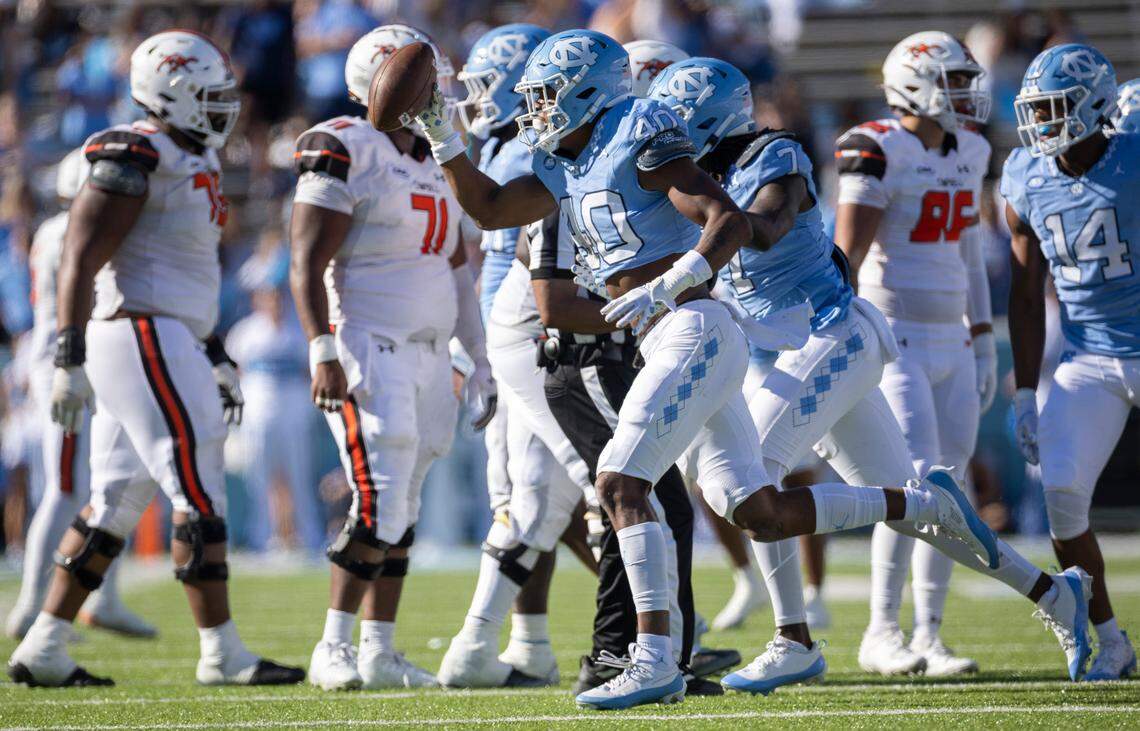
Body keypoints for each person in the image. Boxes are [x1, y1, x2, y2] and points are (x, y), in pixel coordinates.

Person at [413, 29, 1002, 709]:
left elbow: (723, 217)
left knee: (620, 479)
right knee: (759, 509)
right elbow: (487, 206)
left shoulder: (638, 131)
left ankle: (655, 656)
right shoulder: (560, 164)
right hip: (662, 336)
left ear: (586, 92)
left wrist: (679, 278)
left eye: (547, 96)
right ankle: (920, 502)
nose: (537, 111)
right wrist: (440, 136)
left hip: (693, 328)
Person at [648, 54, 1094, 694]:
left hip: (828, 333)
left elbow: (768, 230)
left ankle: (793, 638)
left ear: (708, 118)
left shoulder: (772, 154)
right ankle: (1054, 594)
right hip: (784, 348)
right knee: (913, 514)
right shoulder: (696, 176)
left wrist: (701, 222)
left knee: (752, 485)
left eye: (676, 123)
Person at [7, 30, 302, 688]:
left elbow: (184, 274)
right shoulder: (137, 148)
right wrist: (68, 355)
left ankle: (45, 644)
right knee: (198, 491)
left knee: (113, 499)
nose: (223, 107)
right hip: (142, 336)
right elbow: (83, 253)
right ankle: (222, 651)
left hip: (166, 334)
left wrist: (214, 349)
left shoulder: (191, 156)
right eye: (208, 96)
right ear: (168, 94)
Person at [290, 24, 494, 692]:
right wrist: (321, 348)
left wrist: (480, 359)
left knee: (403, 503)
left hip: (431, 354)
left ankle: (378, 648)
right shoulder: (345, 144)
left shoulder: (440, 160)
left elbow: (459, 273)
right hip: (366, 344)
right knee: (378, 498)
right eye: (426, 77)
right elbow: (307, 260)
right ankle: (334, 644)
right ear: (391, 79)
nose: (441, 90)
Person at [833, 31, 996, 676]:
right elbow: (847, 255)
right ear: (914, 84)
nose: (964, 94)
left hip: (953, 339)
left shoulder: (974, 147)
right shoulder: (878, 147)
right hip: (895, 338)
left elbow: (968, 253)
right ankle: (881, 631)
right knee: (915, 484)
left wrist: (981, 336)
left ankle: (929, 634)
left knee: (950, 488)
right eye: (952, 81)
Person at [438, 22, 593, 689]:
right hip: (525, 333)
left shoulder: (515, 147)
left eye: (482, 87)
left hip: (518, 330)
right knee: (551, 495)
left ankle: (524, 645)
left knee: (544, 499)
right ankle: (667, 624)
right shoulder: (513, 148)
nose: (476, 101)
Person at [1005, 43, 1139, 681]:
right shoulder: (1024, 175)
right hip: (1090, 357)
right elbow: (1027, 293)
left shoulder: (1135, 158)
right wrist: (1025, 392)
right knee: (1061, 498)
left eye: (1056, 109)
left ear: (1095, 106)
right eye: (1038, 110)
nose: (1043, 124)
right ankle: (1110, 638)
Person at [5, 149, 155, 641]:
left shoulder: (53, 230)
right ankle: (31, 606)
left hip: (75, 364)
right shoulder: (68, 231)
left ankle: (102, 598)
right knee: (67, 487)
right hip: (67, 367)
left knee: (102, 486)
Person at [225, 282, 322, 554]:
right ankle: (260, 540)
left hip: (294, 415)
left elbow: (310, 372)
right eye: (268, 297)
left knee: (300, 477)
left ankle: (311, 539)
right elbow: (233, 373)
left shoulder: (299, 329)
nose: (274, 302)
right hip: (256, 415)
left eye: (277, 297)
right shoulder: (245, 332)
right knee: (258, 479)